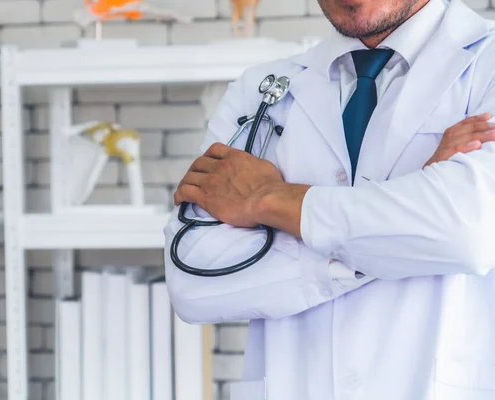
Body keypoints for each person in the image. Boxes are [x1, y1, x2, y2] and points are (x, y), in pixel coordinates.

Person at [164, 0, 495, 399]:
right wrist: (407, 226)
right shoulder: (262, 89)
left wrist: (267, 199)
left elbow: (468, 234)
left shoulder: (485, 65)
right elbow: (193, 280)